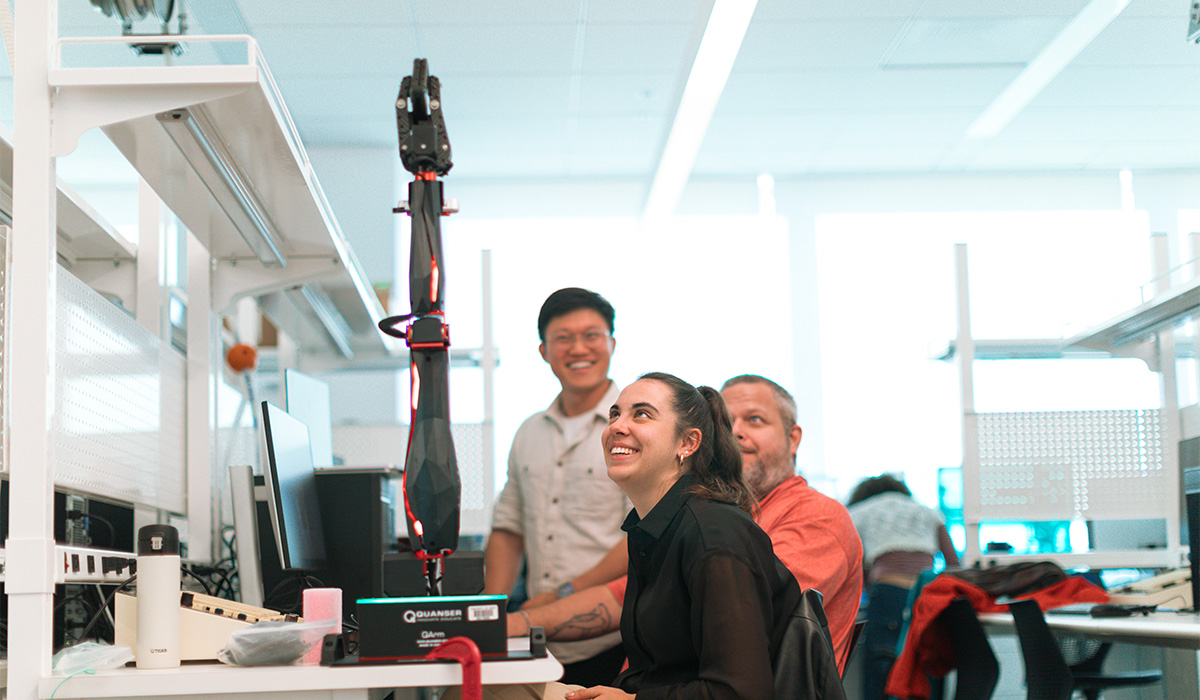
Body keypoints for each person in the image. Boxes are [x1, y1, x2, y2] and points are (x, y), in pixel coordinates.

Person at [508, 374, 864, 675]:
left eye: (755, 419)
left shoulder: (814, 517)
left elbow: (749, 624)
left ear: (793, 437)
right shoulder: (705, 514)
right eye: (728, 421)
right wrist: (517, 624)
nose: (737, 432)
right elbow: (622, 597)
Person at [563, 372, 804, 700]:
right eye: (615, 414)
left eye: (642, 414)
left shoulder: (714, 535)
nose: (617, 427)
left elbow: (742, 693)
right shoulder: (652, 528)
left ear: (688, 443)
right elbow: (658, 672)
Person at [484, 288, 630, 686]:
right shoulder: (529, 431)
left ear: (612, 343)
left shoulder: (635, 428)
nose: (578, 348)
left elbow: (643, 536)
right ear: (544, 351)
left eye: (592, 335)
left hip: (610, 640)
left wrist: (565, 593)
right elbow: (509, 527)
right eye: (562, 338)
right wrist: (490, 614)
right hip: (535, 638)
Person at [847, 474, 959, 700]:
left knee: (883, 669)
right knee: (925, 669)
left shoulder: (859, 512)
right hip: (927, 600)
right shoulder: (928, 512)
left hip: (888, 595)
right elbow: (954, 565)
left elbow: (853, 566)